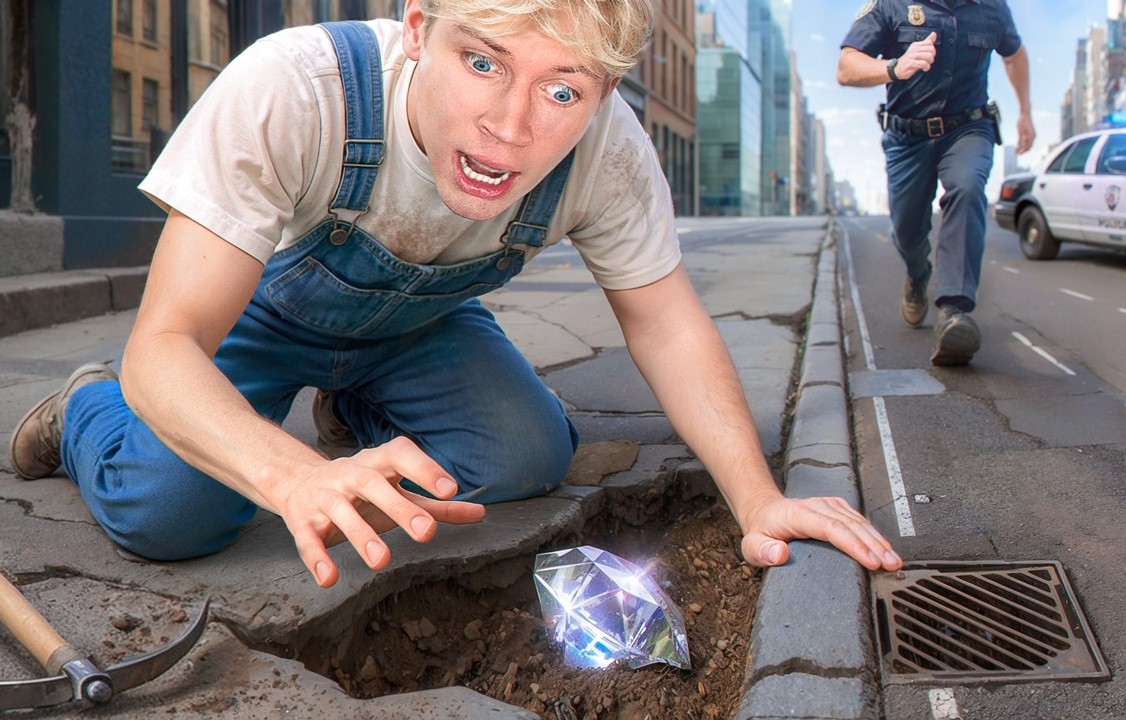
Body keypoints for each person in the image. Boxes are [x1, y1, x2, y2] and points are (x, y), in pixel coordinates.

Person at [9, 0, 902, 588]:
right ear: (418, 28)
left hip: (417, 329)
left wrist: (756, 498)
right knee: (171, 511)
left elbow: (666, 322)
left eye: (562, 89)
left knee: (527, 454)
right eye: (482, 63)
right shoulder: (296, 88)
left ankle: (357, 413)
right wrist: (294, 477)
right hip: (254, 316)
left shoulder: (611, 154)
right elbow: (166, 345)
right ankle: (85, 408)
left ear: (604, 93)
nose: (511, 126)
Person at [836, 0, 1034, 365]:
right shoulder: (891, 4)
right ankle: (917, 273)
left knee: (967, 188)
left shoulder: (992, 6)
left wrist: (1025, 112)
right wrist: (894, 67)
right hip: (906, 137)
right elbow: (847, 67)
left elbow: (1014, 55)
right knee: (907, 230)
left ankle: (954, 312)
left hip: (967, 128)